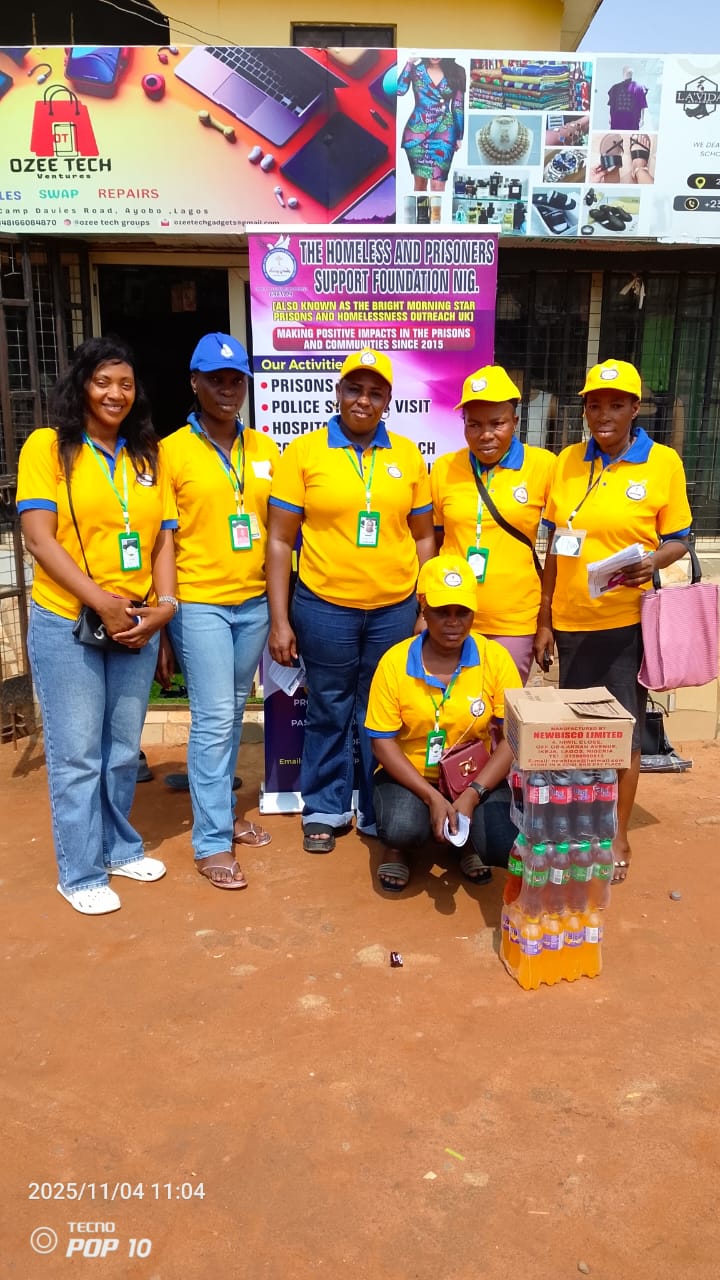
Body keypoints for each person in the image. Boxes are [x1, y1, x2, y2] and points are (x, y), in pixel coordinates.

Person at [17, 336, 178, 915]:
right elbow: (39, 538)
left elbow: (163, 537)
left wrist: (165, 604)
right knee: (77, 754)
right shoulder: (50, 447)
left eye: (126, 384)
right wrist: (99, 602)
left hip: (135, 622)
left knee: (119, 750)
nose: (116, 394)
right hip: (69, 622)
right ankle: (80, 871)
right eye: (104, 381)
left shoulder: (146, 454)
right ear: (82, 384)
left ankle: (117, 847)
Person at [267, 348, 435, 853]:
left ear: (388, 400)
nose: (364, 400)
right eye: (355, 389)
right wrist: (280, 618)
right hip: (324, 606)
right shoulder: (304, 452)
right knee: (328, 705)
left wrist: (425, 606)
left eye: (376, 392)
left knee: (379, 710)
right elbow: (279, 540)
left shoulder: (406, 455)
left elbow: (424, 537)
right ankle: (323, 806)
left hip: (394, 608)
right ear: (338, 393)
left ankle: (371, 804)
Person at [533, 359, 692, 884]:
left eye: (616, 404)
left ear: (634, 408)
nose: (603, 414)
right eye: (594, 404)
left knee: (621, 733)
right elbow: (556, 544)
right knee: (578, 733)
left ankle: (617, 831)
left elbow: (680, 540)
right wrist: (546, 617)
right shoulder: (568, 463)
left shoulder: (662, 462)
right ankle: (582, 825)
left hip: (627, 622)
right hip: (573, 621)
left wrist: (654, 562)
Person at [160, 333, 279, 891]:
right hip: (199, 601)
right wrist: (163, 616)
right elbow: (160, 538)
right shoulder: (169, 452)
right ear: (194, 382)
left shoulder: (264, 449)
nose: (227, 390)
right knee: (211, 718)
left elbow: (280, 534)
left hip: (252, 602)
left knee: (232, 711)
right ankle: (210, 842)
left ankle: (225, 817)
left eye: (236, 381)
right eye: (215, 379)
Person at [365, 555, 521, 893]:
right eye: (441, 612)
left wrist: (473, 794)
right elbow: (382, 743)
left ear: (474, 613)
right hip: (411, 777)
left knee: (501, 840)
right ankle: (398, 847)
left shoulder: (494, 658)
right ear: (423, 609)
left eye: (462, 612)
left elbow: (512, 737)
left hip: (472, 776)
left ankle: (466, 842)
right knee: (403, 826)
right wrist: (431, 797)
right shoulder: (394, 662)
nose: (453, 622)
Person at [431, 366, 555, 684]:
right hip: (451, 616)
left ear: (515, 421)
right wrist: (425, 611)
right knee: (455, 717)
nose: (485, 434)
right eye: (474, 424)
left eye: (497, 423)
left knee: (501, 718)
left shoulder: (543, 467)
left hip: (514, 620)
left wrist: (545, 622)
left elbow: (559, 545)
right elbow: (433, 542)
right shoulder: (445, 469)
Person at [398, 56, 466, 192]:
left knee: (438, 185)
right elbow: (400, 90)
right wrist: (409, 62)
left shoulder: (457, 71)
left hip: (445, 134)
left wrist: (459, 136)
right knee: (420, 185)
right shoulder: (416, 70)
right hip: (417, 135)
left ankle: (437, 214)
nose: (435, 56)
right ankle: (420, 214)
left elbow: (458, 105)